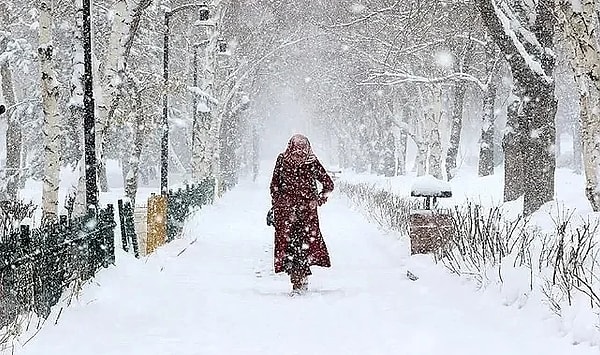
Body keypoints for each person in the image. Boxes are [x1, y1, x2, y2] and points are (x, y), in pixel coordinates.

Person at [269, 134, 334, 293]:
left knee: (289, 244)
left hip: (286, 213)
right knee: (304, 245)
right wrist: (320, 199)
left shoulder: (283, 159)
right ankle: (301, 278)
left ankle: (296, 279)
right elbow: (328, 184)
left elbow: (274, 185)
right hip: (307, 213)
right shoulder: (311, 161)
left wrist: (278, 202)